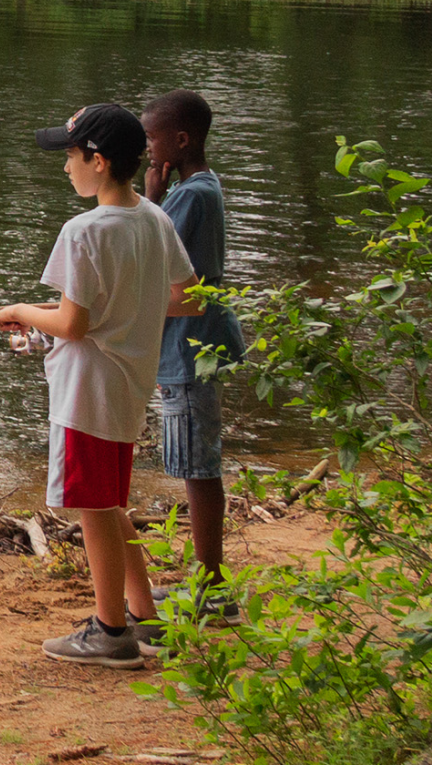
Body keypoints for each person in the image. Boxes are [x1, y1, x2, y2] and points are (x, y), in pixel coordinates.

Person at [0, 103, 201, 669]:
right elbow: (187, 297)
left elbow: (73, 324)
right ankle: (144, 618)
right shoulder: (154, 219)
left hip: (85, 393)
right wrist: (95, 311)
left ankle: (111, 632)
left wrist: (19, 310)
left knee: (93, 507)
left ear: (99, 160)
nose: (66, 168)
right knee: (110, 502)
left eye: (69, 157)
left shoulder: (82, 231)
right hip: (129, 386)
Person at [141, 89, 245, 616]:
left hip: (190, 349)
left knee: (198, 467)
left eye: (152, 138)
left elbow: (152, 260)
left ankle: (213, 590)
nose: (146, 148)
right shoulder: (203, 189)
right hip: (194, 346)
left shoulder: (188, 197)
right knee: (196, 463)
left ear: (180, 140)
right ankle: (208, 582)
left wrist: (151, 201)